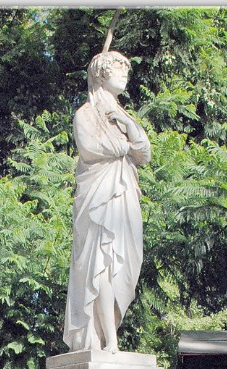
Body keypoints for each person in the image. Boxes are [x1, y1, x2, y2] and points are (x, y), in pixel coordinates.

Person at [63, 50, 151, 353]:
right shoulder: (85, 114)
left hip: (124, 192)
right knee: (99, 264)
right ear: (101, 74)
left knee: (122, 265)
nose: (125, 73)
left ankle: (111, 336)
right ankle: (107, 340)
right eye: (118, 68)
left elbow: (145, 153)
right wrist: (126, 145)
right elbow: (90, 148)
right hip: (98, 195)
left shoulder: (123, 116)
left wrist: (126, 127)